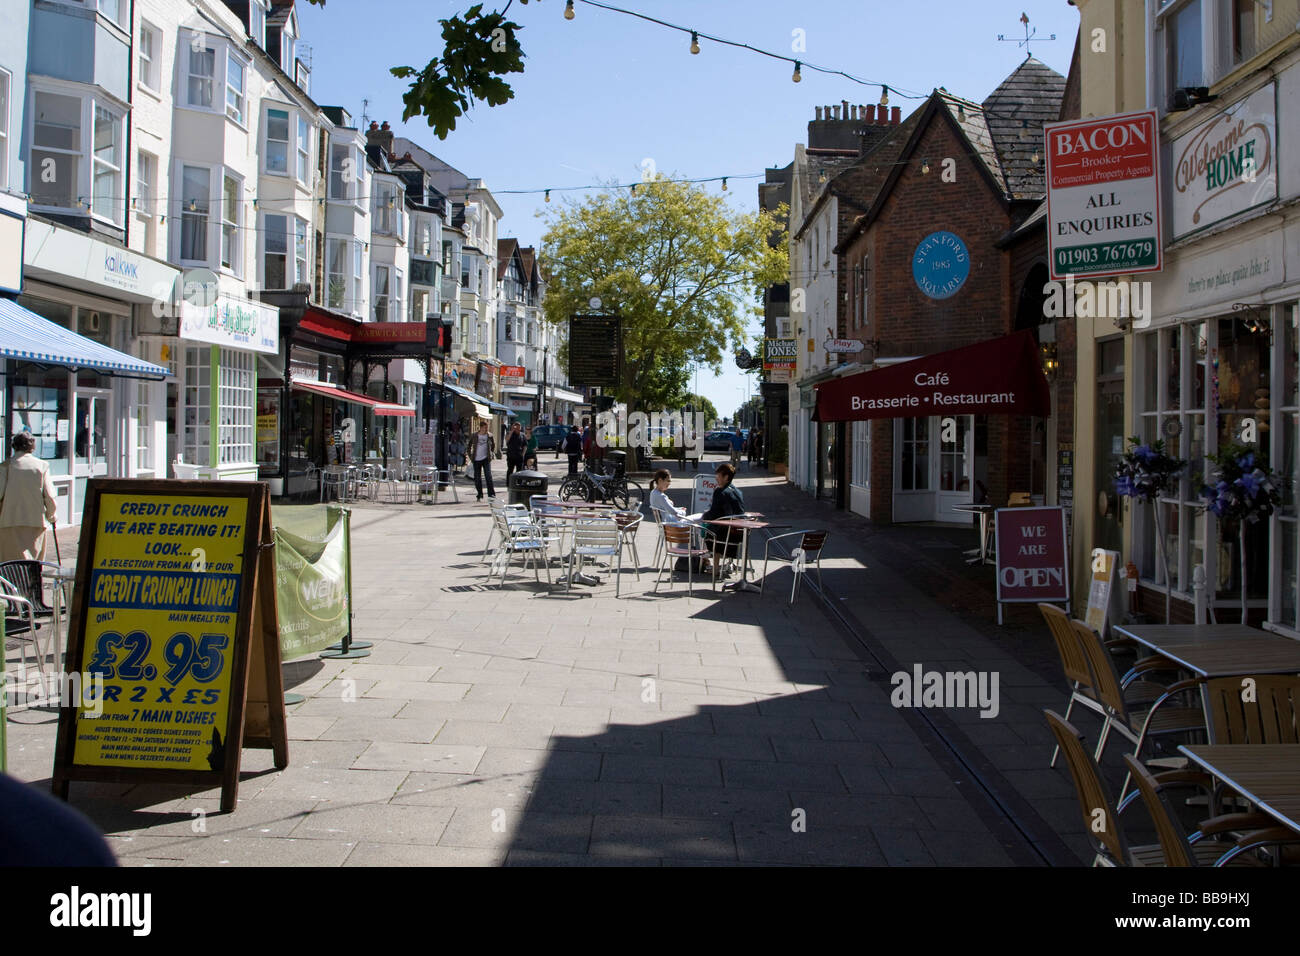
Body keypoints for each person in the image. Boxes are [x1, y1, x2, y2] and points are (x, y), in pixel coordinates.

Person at [0, 432, 58, 562]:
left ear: (14, 446)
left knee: (11, 564)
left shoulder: (6, 466)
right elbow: (49, 495)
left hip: (9, 521)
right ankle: (32, 582)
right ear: (32, 447)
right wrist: (52, 515)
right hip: (36, 521)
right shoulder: (42, 466)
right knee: (33, 562)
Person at [702, 461, 746, 563]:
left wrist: (704, 515)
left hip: (726, 535)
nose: (716, 478)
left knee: (706, 530)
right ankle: (729, 564)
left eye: (718, 475)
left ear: (726, 477)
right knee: (714, 528)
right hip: (739, 534)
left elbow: (714, 514)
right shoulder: (738, 491)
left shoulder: (720, 491)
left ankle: (712, 566)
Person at [466, 420, 497, 500]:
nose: (486, 430)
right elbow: (468, 446)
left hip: (486, 459)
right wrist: (470, 455)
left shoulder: (489, 435)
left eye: (487, 428)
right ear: (480, 428)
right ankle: (479, 494)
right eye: (484, 428)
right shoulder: (474, 435)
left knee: (488, 477)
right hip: (476, 459)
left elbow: (493, 445)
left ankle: (491, 494)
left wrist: (491, 453)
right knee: (477, 478)